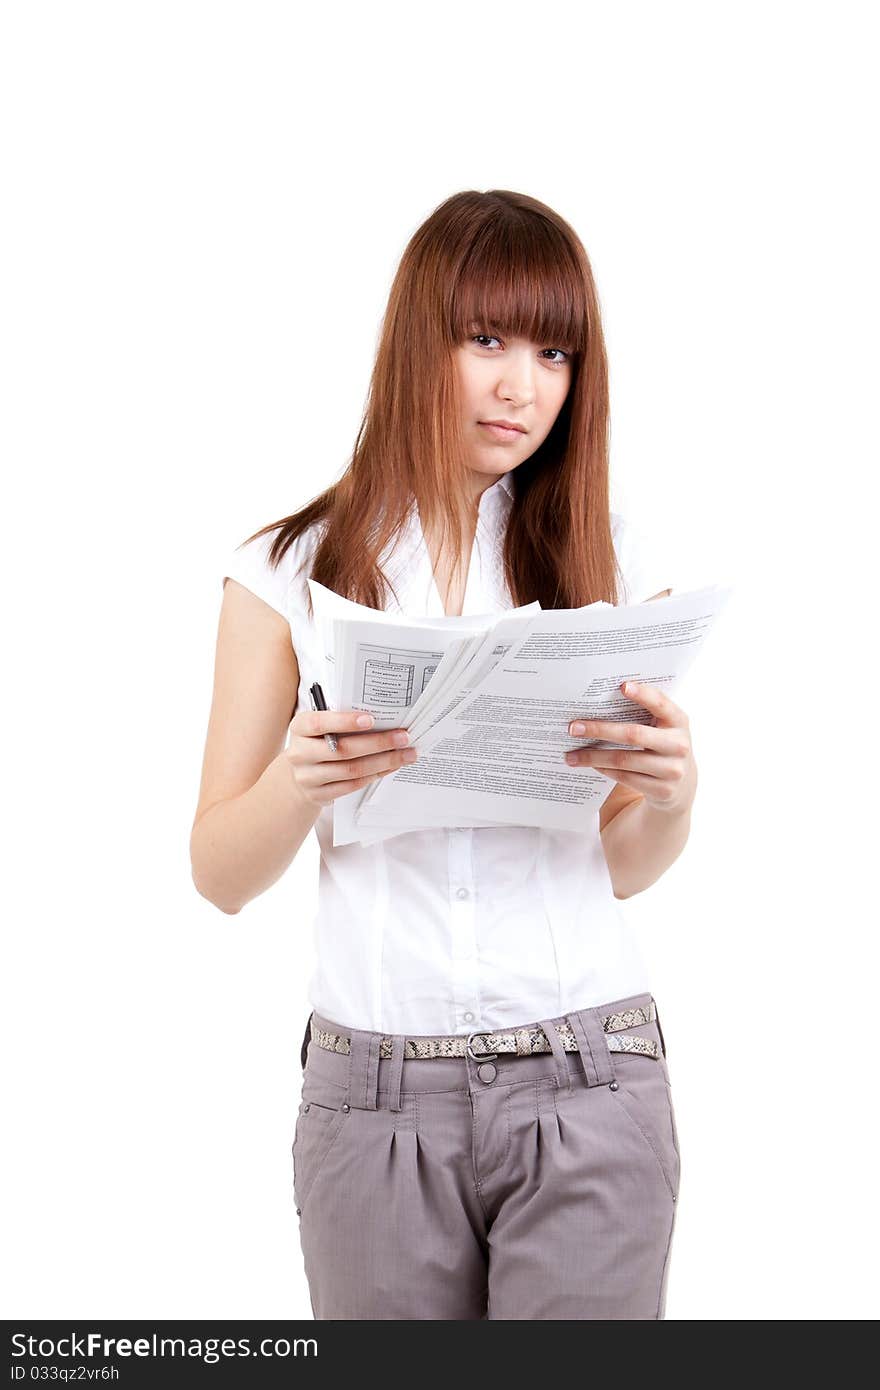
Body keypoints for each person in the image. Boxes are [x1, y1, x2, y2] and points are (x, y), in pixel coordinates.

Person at [191, 189, 697, 1320]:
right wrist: (297, 782)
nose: (523, 386)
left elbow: (619, 863)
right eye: (487, 341)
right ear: (422, 339)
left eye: (555, 351)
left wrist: (671, 792)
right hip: (372, 1103)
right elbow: (217, 871)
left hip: (590, 1080)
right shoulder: (286, 570)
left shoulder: (609, 564)